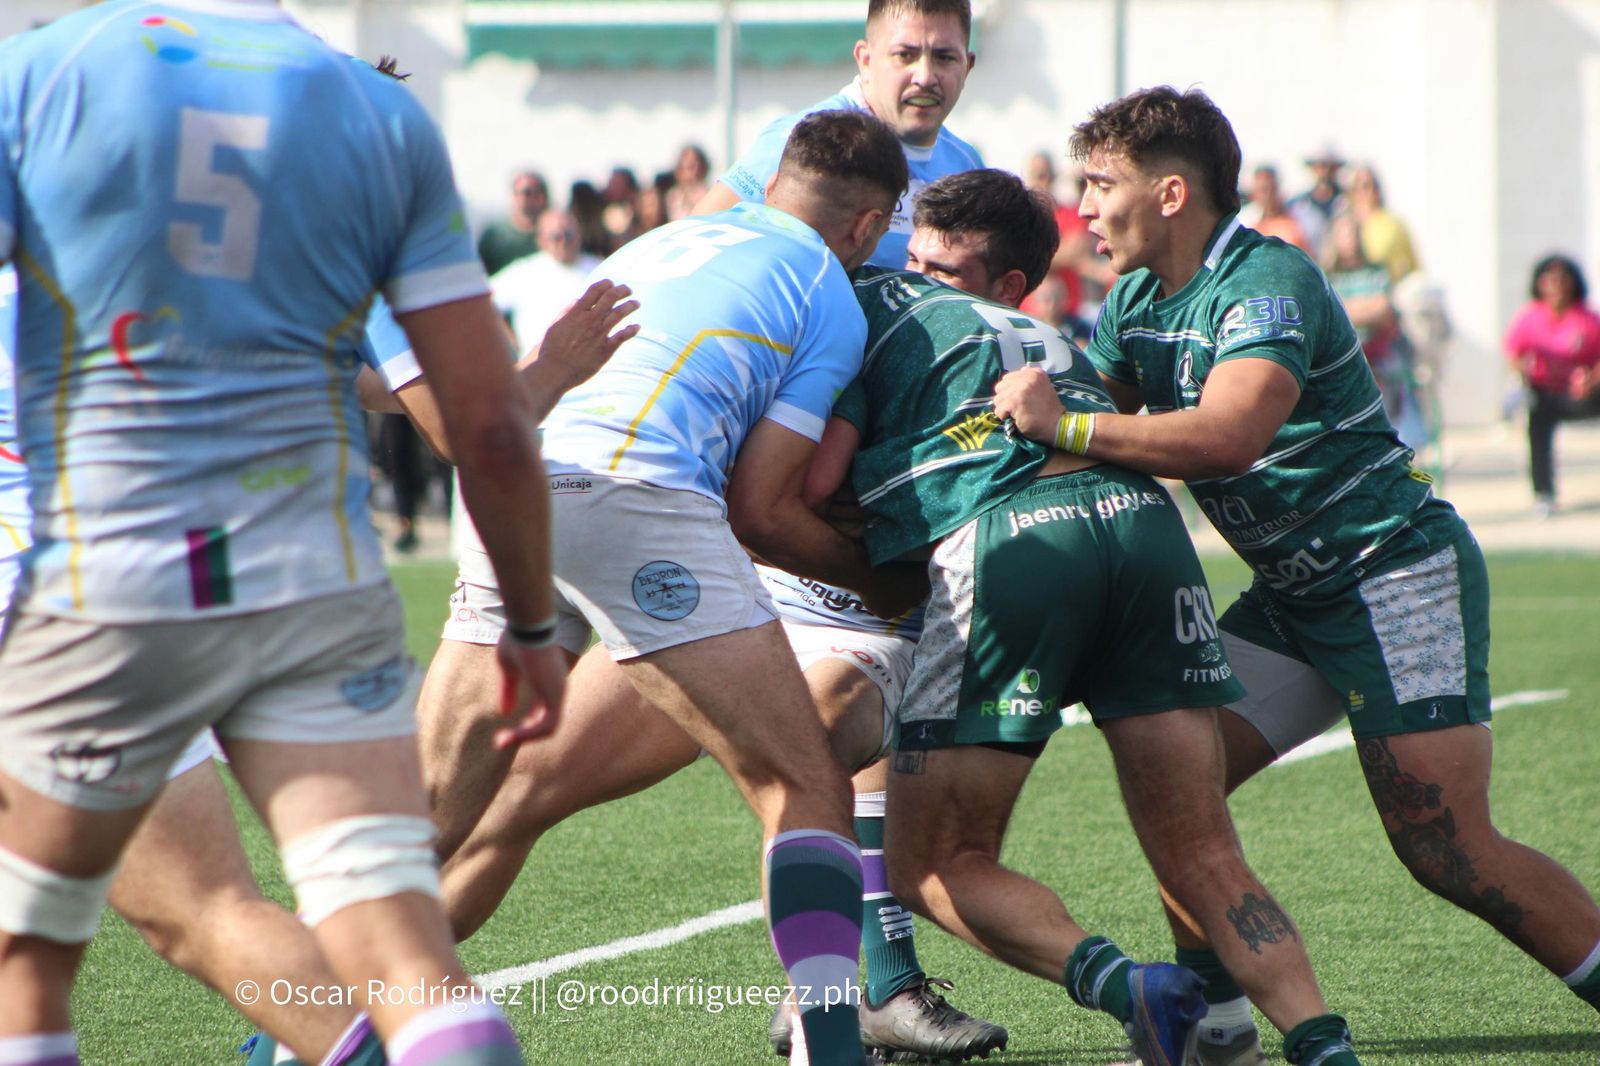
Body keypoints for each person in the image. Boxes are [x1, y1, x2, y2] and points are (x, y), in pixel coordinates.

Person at [0, 8, 570, 1063]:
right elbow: (483, 425)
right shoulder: (369, 118)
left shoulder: (46, 74)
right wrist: (534, 623)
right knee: (394, 938)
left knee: (70, 940)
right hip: (296, 567)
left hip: (80, 568)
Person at [994, 85, 1600, 1062]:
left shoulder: (1267, 280)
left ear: (1170, 193)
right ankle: (1219, 1025)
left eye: (1099, 185)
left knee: (1444, 846)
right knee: (1172, 777)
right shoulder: (1136, 301)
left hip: (1393, 574)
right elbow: (1084, 440)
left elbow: (1227, 436)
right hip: (1291, 595)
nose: (1083, 209)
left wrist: (1056, 421)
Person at [797, 168, 1357, 1066]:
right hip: (1147, 532)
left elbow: (814, 486)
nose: (918, 275)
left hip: (1019, 545)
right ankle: (1325, 1047)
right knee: (1204, 851)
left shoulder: (869, 308)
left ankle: (1127, 985)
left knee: (928, 861)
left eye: (935, 265)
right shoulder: (1044, 329)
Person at [418, 109, 913, 1066]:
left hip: (507, 485)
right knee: (804, 782)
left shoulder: (665, 235)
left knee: (429, 815)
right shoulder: (829, 289)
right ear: (866, 226)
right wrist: (884, 580)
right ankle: (832, 1048)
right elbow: (762, 509)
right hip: (633, 497)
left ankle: (295, 1031)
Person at [694, 0, 982, 270]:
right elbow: (689, 243)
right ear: (865, 60)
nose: (925, 77)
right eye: (905, 56)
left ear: (968, 67)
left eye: (944, 58)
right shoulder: (804, 143)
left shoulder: (966, 166)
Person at [1503, 254, 1600, 516]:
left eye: (1562, 279)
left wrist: (1591, 380)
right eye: (1550, 279)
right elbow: (1514, 354)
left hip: (1583, 393)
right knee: (1536, 419)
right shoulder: (1530, 318)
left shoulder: (1586, 319)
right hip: (1545, 392)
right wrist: (1525, 374)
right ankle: (1543, 492)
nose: (1556, 286)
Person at [490, 207, 604, 352]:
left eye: (568, 235)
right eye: (555, 237)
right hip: (538, 367)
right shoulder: (524, 272)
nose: (563, 242)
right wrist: (508, 341)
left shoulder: (600, 268)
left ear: (579, 235)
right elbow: (485, 301)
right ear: (541, 240)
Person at [1345, 164, 1418, 284]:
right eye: (1362, 186)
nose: (1368, 192)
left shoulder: (1393, 223)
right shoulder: (1343, 224)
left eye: (1371, 185)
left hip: (1390, 288)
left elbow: (1413, 264)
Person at [477, 169, 549, 276]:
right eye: (527, 192)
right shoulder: (494, 236)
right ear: (514, 196)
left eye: (538, 191)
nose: (533, 197)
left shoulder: (558, 235)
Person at [1286, 145, 1344, 256]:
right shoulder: (1299, 206)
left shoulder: (1346, 201)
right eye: (1321, 165)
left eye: (1329, 166)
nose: (1325, 171)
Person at [1239, 165, 1310, 253]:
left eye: (1271, 188)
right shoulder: (1245, 220)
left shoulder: (1298, 218)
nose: (1267, 195)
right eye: (1263, 189)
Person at [665, 144, 712, 221]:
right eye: (688, 167)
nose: (694, 171)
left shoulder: (709, 194)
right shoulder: (673, 197)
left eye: (693, 166)